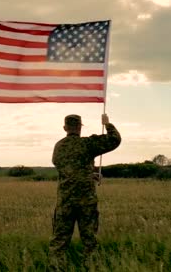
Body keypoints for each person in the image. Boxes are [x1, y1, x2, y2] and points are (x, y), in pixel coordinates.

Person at [49, 113, 121, 270]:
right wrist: (107, 124)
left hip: (65, 201)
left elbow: (64, 167)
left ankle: (56, 267)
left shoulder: (59, 146)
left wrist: (88, 174)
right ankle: (90, 267)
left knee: (59, 240)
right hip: (86, 201)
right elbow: (115, 140)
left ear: (65, 128)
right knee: (89, 240)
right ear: (80, 127)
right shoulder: (87, 144)